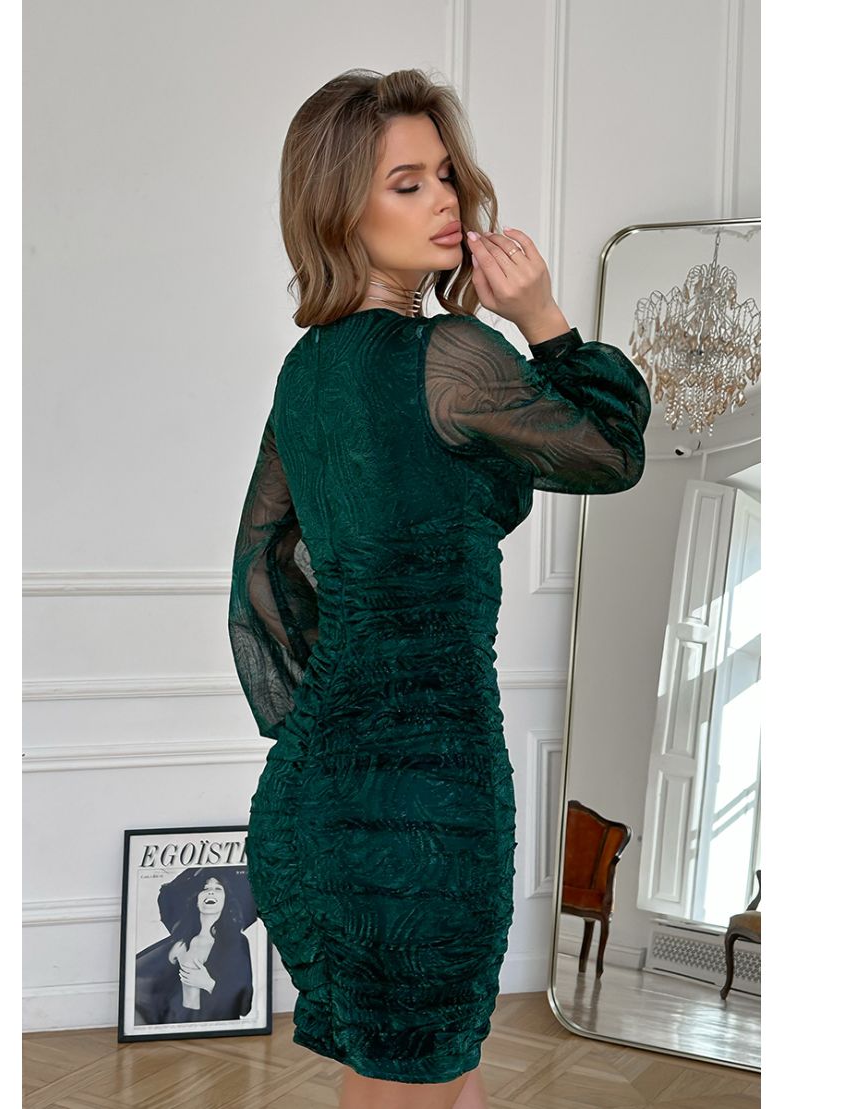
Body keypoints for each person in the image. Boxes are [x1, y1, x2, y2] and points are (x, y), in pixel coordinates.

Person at [227, 68, 651, 1109]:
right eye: (406, 182)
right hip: (425, 801)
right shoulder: (450, 355)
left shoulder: (305, 373)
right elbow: (609, 449)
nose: (446, 200)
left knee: (418, 1085)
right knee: (420, 1084)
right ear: (341, 209)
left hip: (311, 797)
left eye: (446, 174)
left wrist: (334, 716)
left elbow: (266, 569)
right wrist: (544, 316)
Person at [133, 869, 254, 1026]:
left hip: (216, 1027)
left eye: (218, 888)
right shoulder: (179, 943)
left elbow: (244, 1005)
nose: (210, 892)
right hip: (176, 1024)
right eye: (205, 888)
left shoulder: (237, 943)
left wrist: (208, 983)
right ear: (196, 900)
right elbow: (143, 982)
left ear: (226, 901)